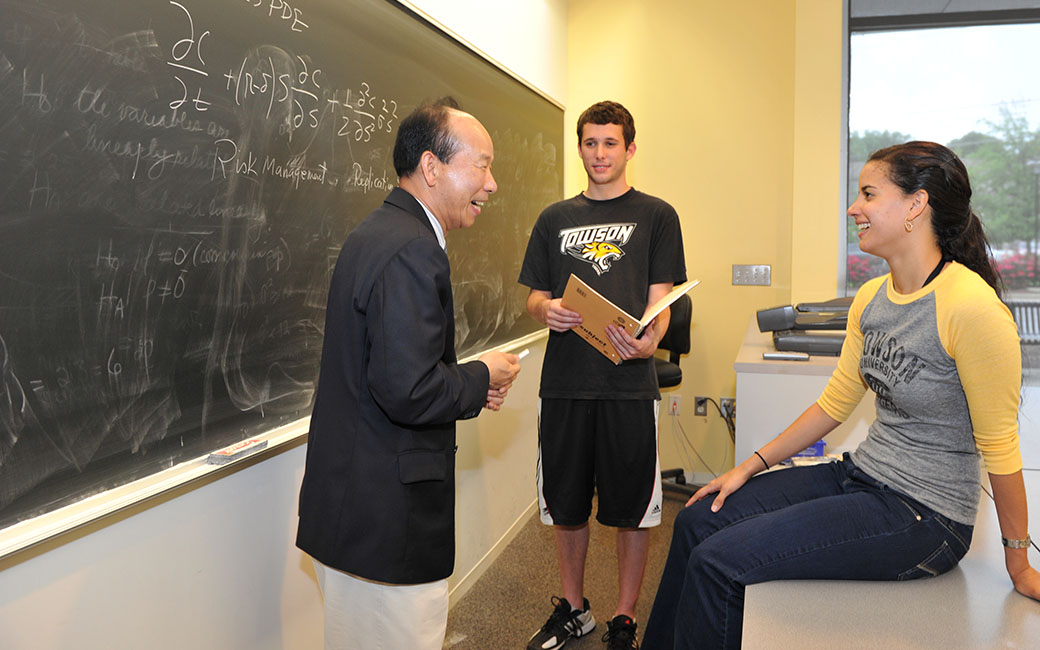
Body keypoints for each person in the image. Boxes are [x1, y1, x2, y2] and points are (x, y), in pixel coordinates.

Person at [642, 141, 1040, 650]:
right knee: (698, 520)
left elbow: (1001, 447)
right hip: (861, 476)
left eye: (869, 194)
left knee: (717, 564)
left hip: (926, 516)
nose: (854, 208)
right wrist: (748, 468)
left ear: (916, 205)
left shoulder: (971, 308)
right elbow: (833, 405)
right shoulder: (872, 299)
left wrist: (1018, 563)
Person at [296, 98, 521, 650]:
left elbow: (391, 371)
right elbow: (409, 390)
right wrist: (480, 375)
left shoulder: (379, 232)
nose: (492, 184)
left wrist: (470, 381)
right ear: (431, 167)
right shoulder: (412, 251)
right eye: (482, 165)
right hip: (383, 524)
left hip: (354, 507)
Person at [519, 100, 687, 650]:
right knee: (567, 507)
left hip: (628, 387)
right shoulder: (553, 219)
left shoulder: (658, 215)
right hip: (565, 385)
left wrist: (651, 339)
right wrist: (546, 310)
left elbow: (662, 300)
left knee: (631, 510)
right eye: (590, 143)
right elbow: (534, 297)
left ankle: (624, 617)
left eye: (610, 143)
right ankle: (574, 609)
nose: (599, 153)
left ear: (629, 149)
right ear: (580, 148)